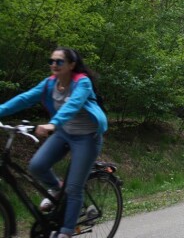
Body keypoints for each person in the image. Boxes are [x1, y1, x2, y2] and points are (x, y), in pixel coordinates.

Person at [0, 47, 107, 238]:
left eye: (59, 62)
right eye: (51, 61)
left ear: (71, 65)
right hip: (64, 133)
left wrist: (52, 124)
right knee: (36, 166)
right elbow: (25, 98)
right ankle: (58, 188)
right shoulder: (50, 83)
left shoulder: (82, 82)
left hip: (86, 137)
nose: (54, 65)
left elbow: (72, 105)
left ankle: (66, 232)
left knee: (74, 187)